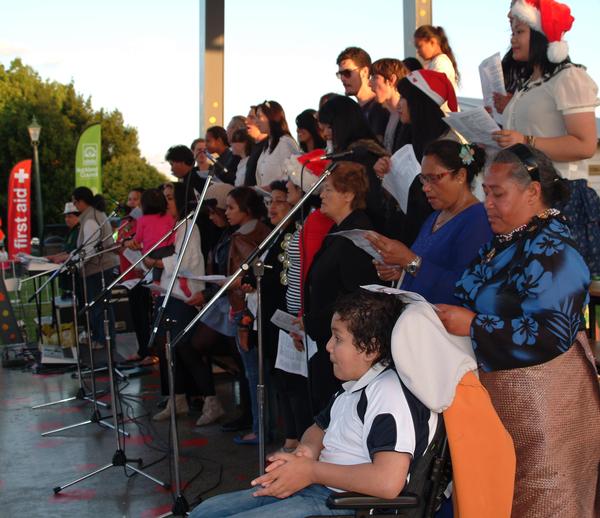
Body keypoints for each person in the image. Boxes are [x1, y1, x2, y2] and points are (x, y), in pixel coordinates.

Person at [436, 145, 600, 516]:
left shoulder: (556, 251)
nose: (488, 204)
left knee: (544, 502)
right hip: (506, 404)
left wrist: (475, 325)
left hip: (548, 411)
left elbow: (550, 333)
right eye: (485, 193)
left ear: (533, 192)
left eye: (498, 194)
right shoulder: (508, 243)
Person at [189, 289, 437, 518]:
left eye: (338, 339)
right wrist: (307, 450)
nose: (328, 346)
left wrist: (311, 470)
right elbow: (319, 428)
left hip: (348, 505)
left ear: (370, 349)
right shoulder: (356, 386)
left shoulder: (388, 395)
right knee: (205, 512)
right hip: (318, 488)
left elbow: (387, 481)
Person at [491, 0, 600, 276]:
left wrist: (526, 139)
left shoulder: (569, 78)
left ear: (539, 35)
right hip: (526, 198)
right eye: (512, 32)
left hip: (558, 198)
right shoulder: (529, 84)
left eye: (519, 32)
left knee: (552, 286)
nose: (512, 40)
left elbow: (585, 144)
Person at [368, 140, 492, 305]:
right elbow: (428, 265)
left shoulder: (478, 220)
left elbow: (464, 289)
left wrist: (408, 260)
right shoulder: (435, 216)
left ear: (461, 176)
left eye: (434, 178)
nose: (425, 187)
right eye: (423, 179)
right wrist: (401, 270)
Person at [303, 162, 380, 412]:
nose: (321, 195)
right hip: (326, 337)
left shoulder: (357, 235)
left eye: (328, 190)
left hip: (343, 344)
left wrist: (315, 320)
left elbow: (356, 295)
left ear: (348, 195)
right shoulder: (340, 229)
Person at [374, 69, 461, 246]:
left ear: (419, 102)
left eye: (404, 98)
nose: (399, 104)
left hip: (437, 235)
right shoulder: (407, 134)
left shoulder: (451, 140)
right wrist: (383, 173)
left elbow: (469, 166)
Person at [151, 182, 205, 421]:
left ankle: (210, 400)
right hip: (167, 291)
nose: (166, 202)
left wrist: (158, 262)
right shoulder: (171, 226)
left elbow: (186, 261)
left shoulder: (189, 226)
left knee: (185, 348)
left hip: (184, 294)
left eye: (171, 198)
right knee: (166, 349)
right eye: (164, 198)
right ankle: (177, 398)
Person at [222, 187, 271, 443]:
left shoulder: (244, 238)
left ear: (247, 209)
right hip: (252, 309)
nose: (226, 212)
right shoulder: (262, 231)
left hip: (246, 311)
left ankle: (260, 428)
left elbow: (243, 281)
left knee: (254, 374)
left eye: (231, 207)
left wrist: (225, 283)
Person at [317, 95, 388, 232]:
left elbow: (370, 202)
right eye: (323, 128)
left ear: (343, 124)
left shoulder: (360, 155)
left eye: (329, 127)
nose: (325, 134)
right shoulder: (349, 153)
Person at [71, 187, 119, 349]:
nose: (74, 205)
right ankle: (103, 338)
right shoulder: (93, 214)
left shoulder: (90, 217)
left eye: (75, 202)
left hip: (98, 268)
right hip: (98, 267)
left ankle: (103, 339)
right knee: (99, 305)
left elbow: (89, 247)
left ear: (82, 201)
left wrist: (76, 265)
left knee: (99, 306)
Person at [336, 46, 389, 142]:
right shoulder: (352, 111)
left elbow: (377, 148)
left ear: (364, 71)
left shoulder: (380, 107)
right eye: (340, 74)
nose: (343, 78)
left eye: (347, 73)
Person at [128, 188, 176, 283]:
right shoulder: (168, 216)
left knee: (156, 271)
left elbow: (138, 238)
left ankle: (156, 282)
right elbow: (174, 231)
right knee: (171, 272)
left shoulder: (142, 220)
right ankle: (181, 282)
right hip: (169, 249)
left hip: (152, 251)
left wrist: (135, 243)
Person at [254, 101, 299, 189]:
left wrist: (272, 187)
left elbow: (292, 175)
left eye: (259, 117)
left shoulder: (286, 142)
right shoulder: (267, 145)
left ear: (271, 116)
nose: (256, 122)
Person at [368, 58, 409, 153]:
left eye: (375, 77)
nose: (369, 83)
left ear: (391, 79)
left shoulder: (408, 117)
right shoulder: (388, 115)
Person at [413, 25, 460, 92]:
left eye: (419, 46)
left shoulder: (440, 63)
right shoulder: (435, 62)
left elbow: (435, 92)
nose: (418, 51)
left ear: (432, 42)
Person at [242, 105, 269, 186]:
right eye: (247, 117)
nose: (246, 121)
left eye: (252, 118)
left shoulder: (269, 146)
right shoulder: (254, 145)